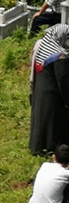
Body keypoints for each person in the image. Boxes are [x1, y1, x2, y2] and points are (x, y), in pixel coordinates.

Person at [29, 24, 69, 155]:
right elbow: (63, 80)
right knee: (51, 121)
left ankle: (38, 147)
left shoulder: (44, 48)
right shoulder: (60, 56)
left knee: (41, 119)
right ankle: (49, 147)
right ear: (61, 37)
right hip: (52, 94)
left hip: (41, 90)